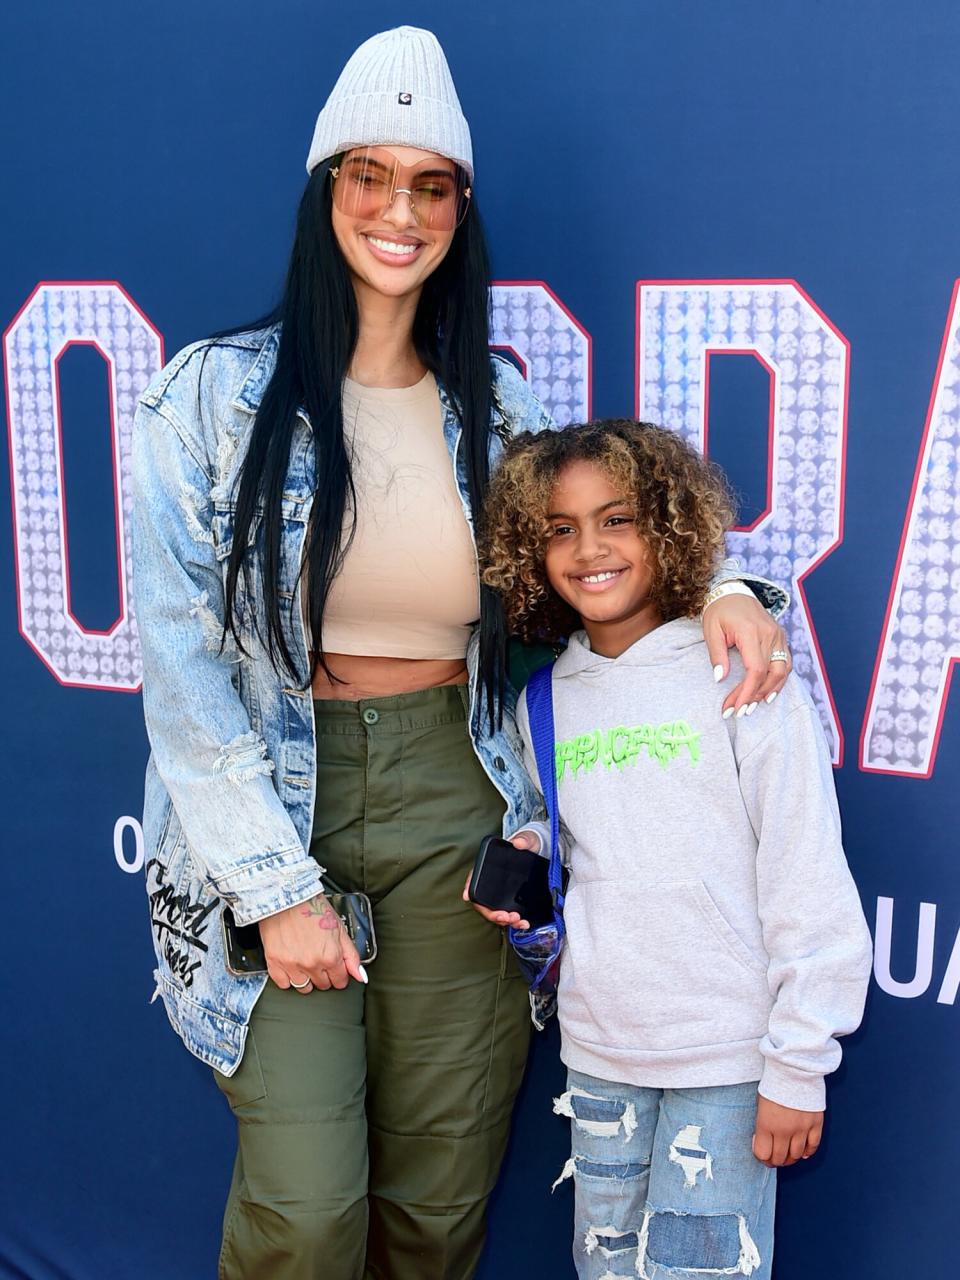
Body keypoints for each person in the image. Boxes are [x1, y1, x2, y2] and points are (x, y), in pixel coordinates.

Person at [132, 27, 792, 1280]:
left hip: (461, 798)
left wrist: (737, 588)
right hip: (269, 807)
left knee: (438, 1206)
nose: (399, 210)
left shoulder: (497, 409)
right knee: (310, 1207)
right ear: (327, 188)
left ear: (460, 209)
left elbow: (604, 556)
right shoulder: (205, 400)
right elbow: (184, 679)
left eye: (430, 184)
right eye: (369, 175)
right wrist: (276, 889)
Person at [476, 420, 872, 1280]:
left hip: (727, 1061)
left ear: (668, 526)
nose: (589, 549)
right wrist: (531, 845)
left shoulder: (741, 672)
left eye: (616, 519)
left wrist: (798, 1064)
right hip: (599, 1054)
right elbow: (585, 827)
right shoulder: (545, 698)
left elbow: (804, 871)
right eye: (560, 528)